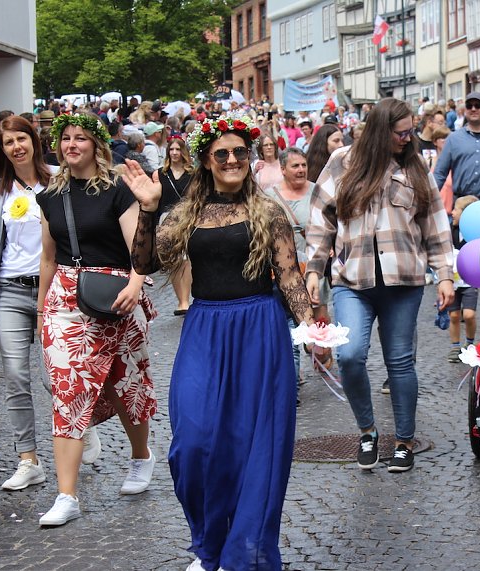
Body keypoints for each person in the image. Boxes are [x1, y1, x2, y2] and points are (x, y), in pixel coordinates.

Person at [124, 111, 313, 571]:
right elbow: (145, 263)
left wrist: (311, 328)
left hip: (259, 330)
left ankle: (241, 551)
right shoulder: (185, 214)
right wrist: (148, 209)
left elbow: (289, 276)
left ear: (250, 157)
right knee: (192, 443)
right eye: (222, 153)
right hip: (205, 328)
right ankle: (209, 542)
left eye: (240, 152)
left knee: (254, 446)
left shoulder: (268, 211)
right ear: (207, 161)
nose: (232, 160)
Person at [305, 98, 455, 473]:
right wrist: (314, 269)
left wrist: (445, 274)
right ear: (379, 130)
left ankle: (403, 441)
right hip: (352, 278)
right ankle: (367, 431)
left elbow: (435, 224)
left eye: (410, 131)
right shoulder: (342, 162)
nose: (408, 138)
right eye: (400, 132)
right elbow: (321, 219)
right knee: (350, 355)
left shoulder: (414, 166)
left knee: (400, 361)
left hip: (403, 281)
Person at [35, 113, 158, 526]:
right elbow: (48, 257)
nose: (71, 145)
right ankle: (66, 495)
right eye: (66, 138)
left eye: (81, 138)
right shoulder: (49, 196)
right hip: (65, 300)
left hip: (116, 296)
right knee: (66, 391)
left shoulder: (116, 190)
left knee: (126, 383)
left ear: (96, 145)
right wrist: (41, 309)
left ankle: (141, 456)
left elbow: (138, 248)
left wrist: (136, 285)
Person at [0, 116, 71, 491]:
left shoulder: (59, 179)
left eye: (21, 139)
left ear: (33, 141)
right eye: (8, 142)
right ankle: (28, 459)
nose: (16, 147)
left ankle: (80, 426)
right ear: (2, 150)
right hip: (9, 289)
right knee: (15, 376)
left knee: (55, 375)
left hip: (55, 288)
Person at [264, 147, 328, 380]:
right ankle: (293, 375)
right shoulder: (269, 196)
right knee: (290, 322)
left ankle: (321, 354)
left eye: (303, 165)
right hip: (283, 270)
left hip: (314, 266)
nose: (301, 170)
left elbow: (331, 224)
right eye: (295, 166)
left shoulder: (318, 192)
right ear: (283, 169)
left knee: (317, 314)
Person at [434, 91, 480, 201]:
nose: (473, 109)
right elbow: (440, 174)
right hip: (462, 204)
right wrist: (428, 201)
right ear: (465, 109)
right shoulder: (453, 139)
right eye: (469, 106)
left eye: (478, 105)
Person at [158, 135, 194, 316]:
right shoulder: (161, 173)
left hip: (187, 217)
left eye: (178, 149)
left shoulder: (191, 173)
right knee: (173, 259)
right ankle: (180, 299)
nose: (174, 153)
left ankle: (185, 300)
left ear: (183, 152)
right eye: (171, 149)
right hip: (167, 218)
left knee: (186, 258)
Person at [445, 195, 479, 363]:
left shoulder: (475, 232)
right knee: (454, 316)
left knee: (469, 314)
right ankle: (455, 346)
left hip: (469, 281)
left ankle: (470, 343)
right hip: (452, 280)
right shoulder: (449, 230)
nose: (452, 212)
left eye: (456, 209)